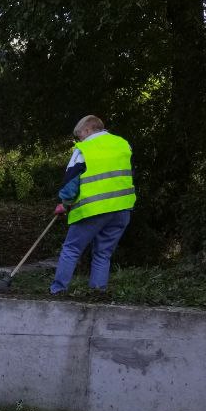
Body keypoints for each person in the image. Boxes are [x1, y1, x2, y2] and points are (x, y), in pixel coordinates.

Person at [50, 116, 136, 296]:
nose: (79, 139)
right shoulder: (122, 144)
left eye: (79, 134)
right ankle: (97, 292)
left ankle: (58, 290)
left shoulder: (85, 148)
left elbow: (72, 181)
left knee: (72, 249)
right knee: (103, 253)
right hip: (122, 208)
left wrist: (63, 203)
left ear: (88, 130)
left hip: (93, 208)